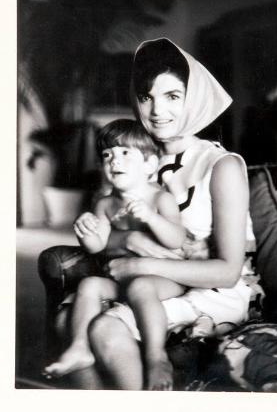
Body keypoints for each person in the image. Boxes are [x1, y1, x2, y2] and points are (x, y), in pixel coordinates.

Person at [71, 38, 262, 391]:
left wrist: (142, 264)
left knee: (104, 328)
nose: (157, 110)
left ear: (195, 99)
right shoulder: (136, 157)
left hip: (214, 290)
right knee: (70, 320)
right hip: (159, 285)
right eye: (147, 97)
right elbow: (108, 221)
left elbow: (228, 270)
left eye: (172, 96)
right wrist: (129, 238)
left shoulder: (221, 165)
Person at [43, 119, 188, 381]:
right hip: (122, 280)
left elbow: (177, 239)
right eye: (107, 155)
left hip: (166, 281)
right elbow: (97, 247)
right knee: (88, 285)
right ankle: (79, 348)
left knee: (140, 286)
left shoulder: (160, 199)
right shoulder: (105, 204)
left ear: (150, 165)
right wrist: (86, 232)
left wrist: (152, 218)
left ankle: (157, 356)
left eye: (125, 153)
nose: (114, 161)